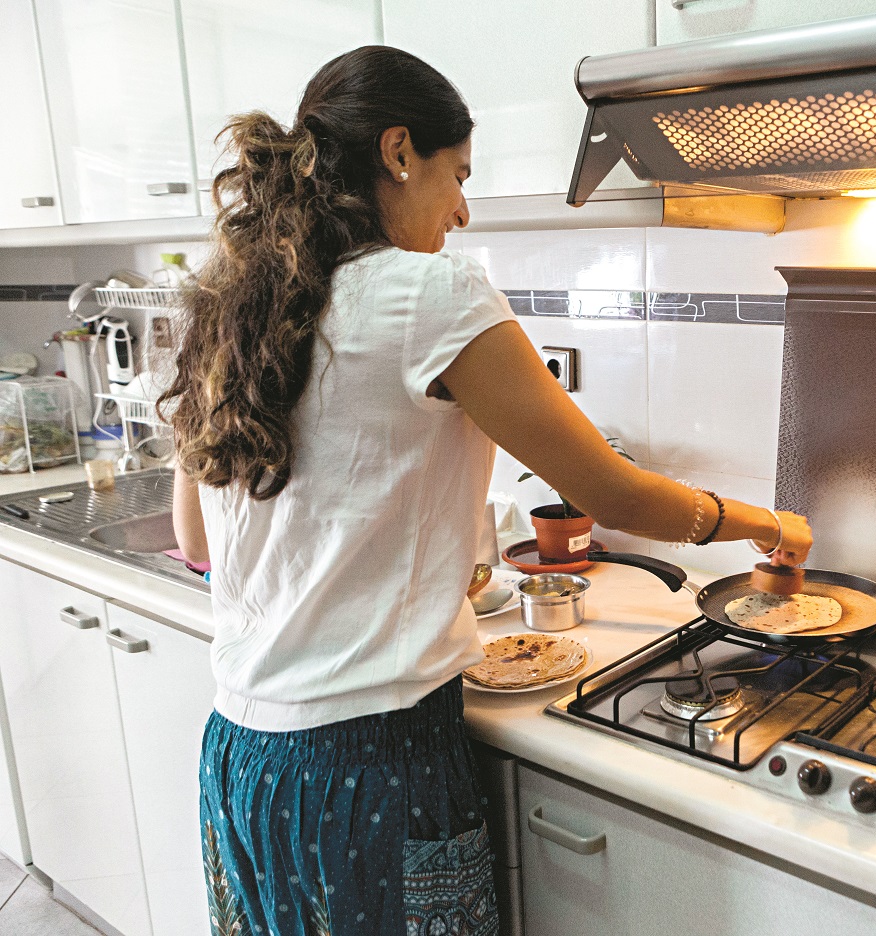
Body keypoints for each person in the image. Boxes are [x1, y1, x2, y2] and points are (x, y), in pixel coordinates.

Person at [162, 45, 812, 936]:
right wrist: (768, 525)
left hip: (242, 761)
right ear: (399, 151)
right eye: (457, 175)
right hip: (369, 761)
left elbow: (195, 540)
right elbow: (612, 495)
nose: (464, 210)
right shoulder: (429, 291)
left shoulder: (239, 305)